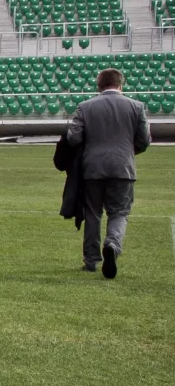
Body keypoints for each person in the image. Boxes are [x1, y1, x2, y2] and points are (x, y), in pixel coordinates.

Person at [66, 67, 150, 279]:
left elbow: (73, 138)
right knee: (119, 213)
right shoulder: (137, 107)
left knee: (93, 214)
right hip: (123, 168)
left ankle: (92, 260)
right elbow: (144, 141)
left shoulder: (85, 107)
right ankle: (112, 244)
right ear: (121, 84)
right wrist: (128, 153)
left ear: (99, 85)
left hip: (92, 168)